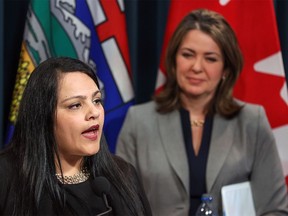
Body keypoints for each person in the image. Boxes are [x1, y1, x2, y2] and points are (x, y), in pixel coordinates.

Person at [116, 9, 288, 216]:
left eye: (211, 58)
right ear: (174, 60)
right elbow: (122, 207)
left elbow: (274, 210)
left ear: (225, 68)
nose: (196, 67)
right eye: (188, 55)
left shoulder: (252, 121)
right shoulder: (138, 121)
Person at [0, 57, 152, 216]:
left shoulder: (124, 174)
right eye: (75, 105)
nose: (94, 112)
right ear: (42, 116)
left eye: (96, 100)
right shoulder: (6, 178)